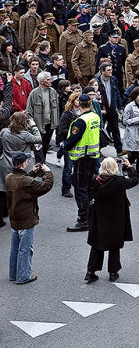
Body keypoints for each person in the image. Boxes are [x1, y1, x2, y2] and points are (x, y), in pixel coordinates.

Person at [85, 157, 138, 283]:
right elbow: (134, 180)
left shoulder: (95, 180)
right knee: (114, 245)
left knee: (97, 244)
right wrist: (129, 167)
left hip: (99, 216)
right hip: (116, 217)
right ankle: (113, 272)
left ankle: (90, 272)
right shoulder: (119, 182)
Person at [7, 152, 53, 285]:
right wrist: (48, 173)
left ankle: (13, 274)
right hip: (26, 218)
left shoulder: (9, 177)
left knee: (15, 248)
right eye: (26, 162)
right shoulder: (26, 181)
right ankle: (23, 276)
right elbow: (45, 186)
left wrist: (32, 173)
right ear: (23, 164)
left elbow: (22, 182)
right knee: (26, 249)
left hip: (14, 218)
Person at [61, 94, 101, 232]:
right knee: (89, 187)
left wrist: (63, 147)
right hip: (93, 156)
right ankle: (91, 216)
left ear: (80, 104)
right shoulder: (95, 117)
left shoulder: (80, 121)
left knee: (80, 188)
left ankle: (83, 219)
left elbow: (73, 139)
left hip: (81, 158)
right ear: (89, 104)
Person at [0, 112, 41, 225]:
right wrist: (33, 125)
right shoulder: (25, 135)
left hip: (5, 162)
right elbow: (38, 138)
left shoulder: (4, 132)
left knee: (3, 188)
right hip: (20, 164)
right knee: (22, 189)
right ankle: (21, 213)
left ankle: (2, 214)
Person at [56, 91, 81, 197]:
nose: (79, 102)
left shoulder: (84, 112)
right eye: (77, 99)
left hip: (81, 144)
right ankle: (66, 188)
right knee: (68, 168)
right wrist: (74, 132)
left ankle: (78, 187)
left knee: (78, 169)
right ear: (72, 101)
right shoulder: (67, 114)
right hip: (69, 143)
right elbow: (61, 129)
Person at [121, 86, 139, 183]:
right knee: (133, 154)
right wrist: (138, 119)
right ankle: (126, 170)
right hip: (132, 131)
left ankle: (138, 175)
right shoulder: (129, 106)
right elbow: (124, 121)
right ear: (135, 95)